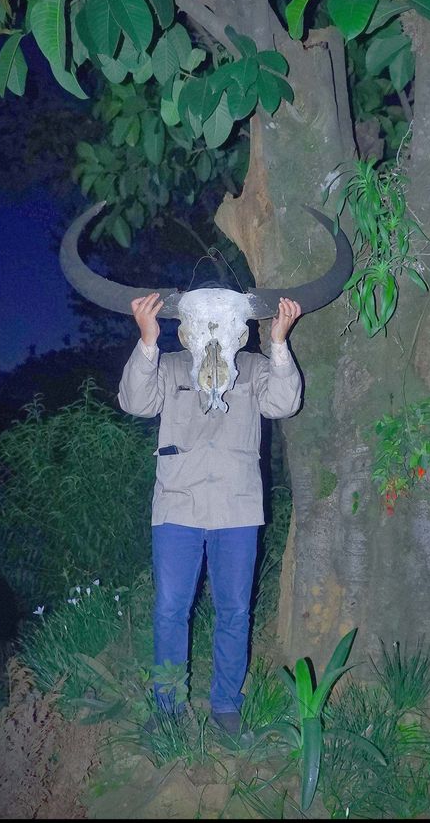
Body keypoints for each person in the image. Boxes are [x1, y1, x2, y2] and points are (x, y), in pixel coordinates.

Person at [118, 291, 302, 736]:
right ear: (185, 331)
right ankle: (167, 708)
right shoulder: (169, 365)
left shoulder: (256, 367)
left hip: (237, 510)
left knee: (235, 611)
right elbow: (135, 402)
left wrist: (279, 341)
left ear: (242, 332)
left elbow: (284, 403)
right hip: (177, 508)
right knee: (169, 611)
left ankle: (225, 704)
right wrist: (147, 340)